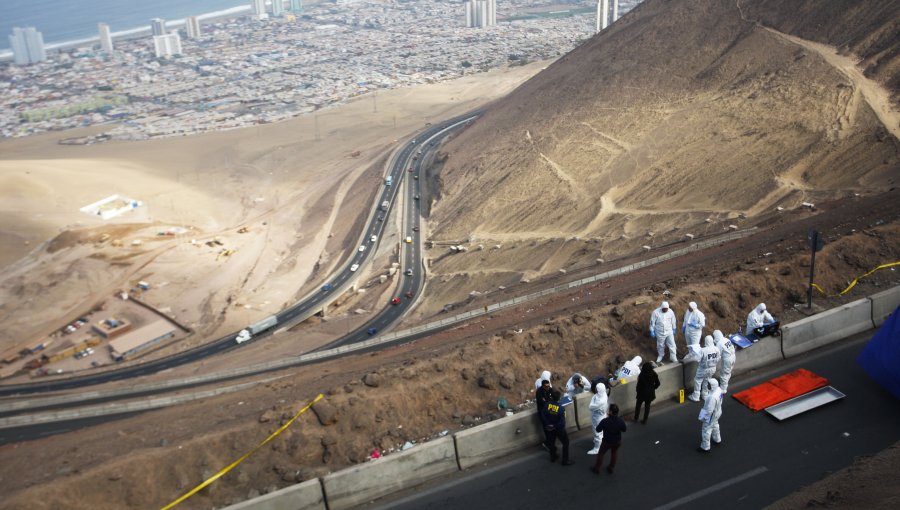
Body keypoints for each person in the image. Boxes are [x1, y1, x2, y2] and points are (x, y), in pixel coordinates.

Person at [591, 403, 627, 474]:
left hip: (607, 441)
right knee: (614, 453)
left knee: (601, 453)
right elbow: (624, 429)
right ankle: (611, 467)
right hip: (617, 441)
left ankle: (597, 468)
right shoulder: (620, 420)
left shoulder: (605, 421)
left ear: (610, 412)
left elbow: (598, 430)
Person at [540, 389, 573, 465]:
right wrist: (555, 426)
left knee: (551, 442)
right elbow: (562, 422)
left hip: (550, 428)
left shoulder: (547, 405)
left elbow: (543, 415)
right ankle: (565, 460)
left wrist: (548, 424)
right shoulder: (561, 409)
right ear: (559, 398)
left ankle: (553, 457)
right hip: (559, 429)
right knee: (566, 442)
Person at [689, 335, 719, 402]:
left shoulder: (703, 350)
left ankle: (696, 396)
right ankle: (705, 395)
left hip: (703, 369)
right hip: (713, 368)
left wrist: (695, 352)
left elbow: (697, 359)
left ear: (706, 341)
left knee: (698, 380)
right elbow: (718, 358)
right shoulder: (716, 349)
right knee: (706, 380)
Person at [698, 378, 724, 453]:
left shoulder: (712, 397)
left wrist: (703, 418)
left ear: (713, 386)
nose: (708, 386)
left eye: (709, 385)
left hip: (712, 414)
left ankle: (705, 447)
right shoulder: (719, 390)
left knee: (706, 429)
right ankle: (717, 439)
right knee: (715, 424)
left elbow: (709, 410)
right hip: (718, 411)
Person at [587, 381, 609, 454]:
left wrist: (593, 400)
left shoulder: (600, 401)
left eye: (597, 388)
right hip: (599, 415)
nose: (595, 389)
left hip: (598, 418)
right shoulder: (603, 394)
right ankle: (599, 442)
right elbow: (593, 400)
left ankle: (597, 448)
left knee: (597, 432)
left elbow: (590, 407)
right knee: (600, 431)